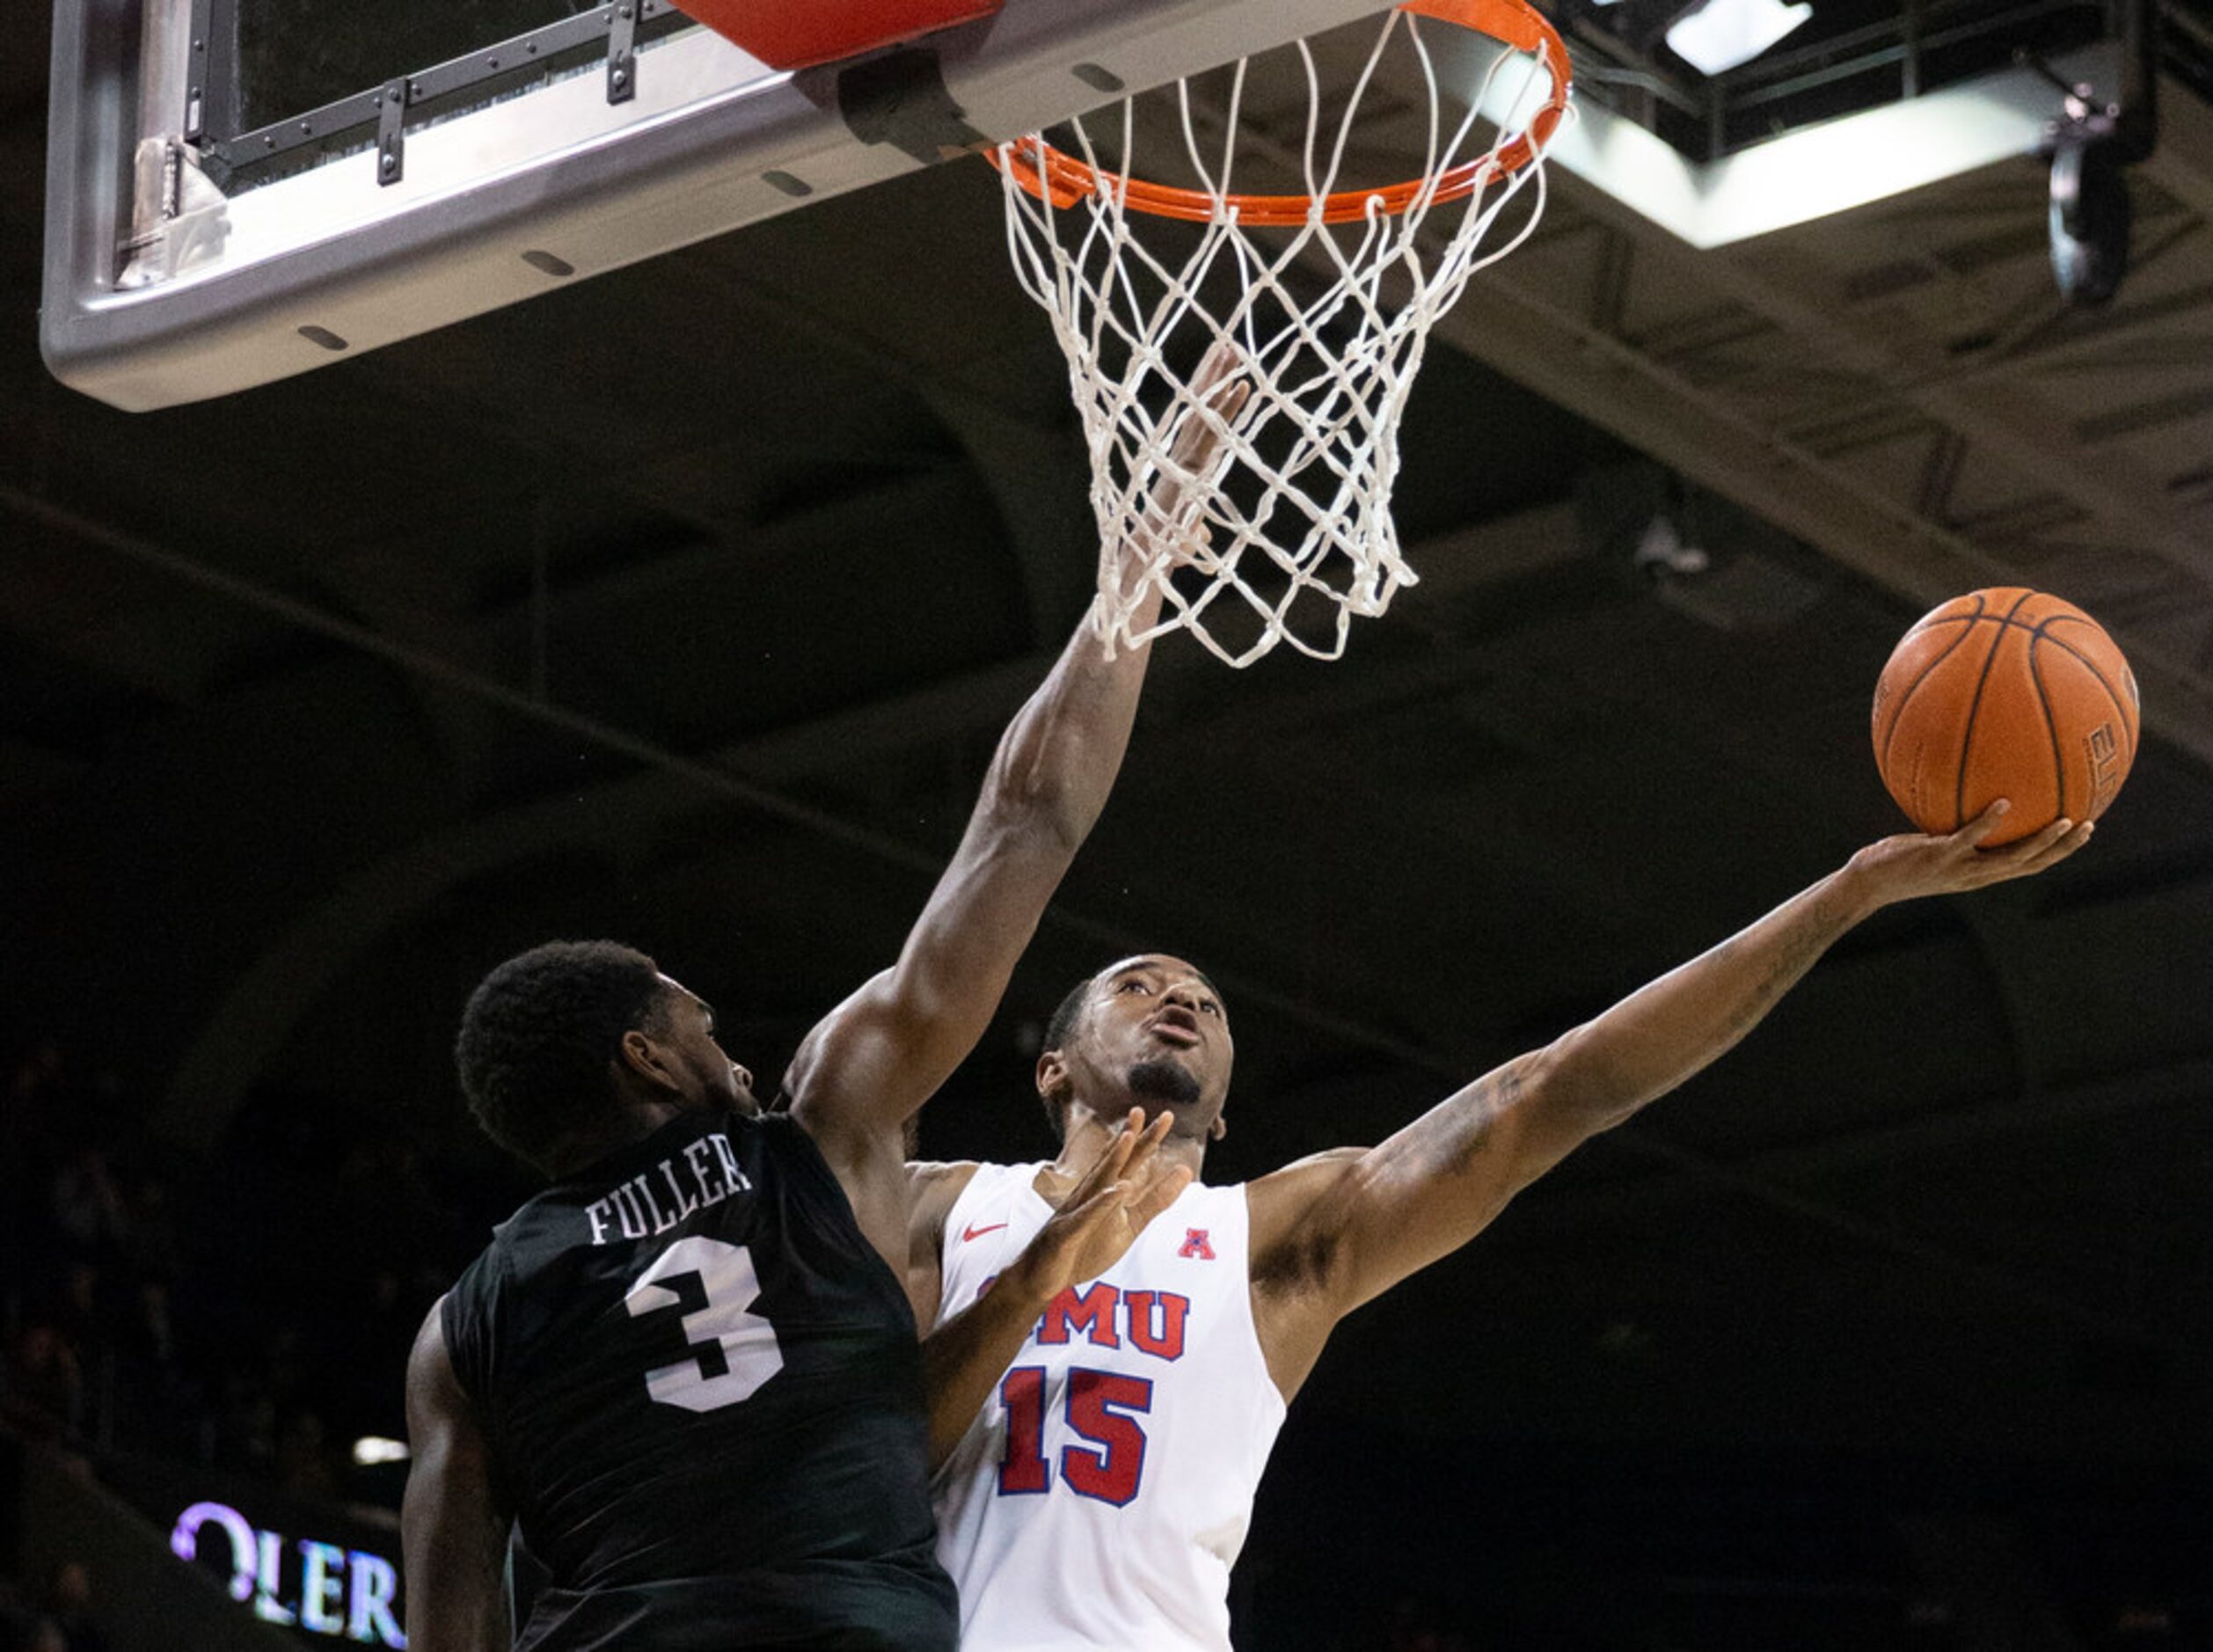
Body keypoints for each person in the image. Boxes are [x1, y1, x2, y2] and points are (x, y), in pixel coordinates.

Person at [401, 355, 1248, 1649]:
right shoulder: (815, 1132)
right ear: (645, 1056)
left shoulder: (465, 1327)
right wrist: (1140, 560)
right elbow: (1026, 819)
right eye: (699, 1025)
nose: (731, 1054)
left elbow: (445, 1627)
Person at [912, 802, 2094, 1650]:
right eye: (1138, 983)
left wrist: (1848, 894)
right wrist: (1027, 1275)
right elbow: (835, 1444)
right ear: (1053, 1068)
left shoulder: (1274, 1239)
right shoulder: (945, 1208)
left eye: (1210, 1003)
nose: (1181, 998)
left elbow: (1561, 1088)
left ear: (1221, 1120)